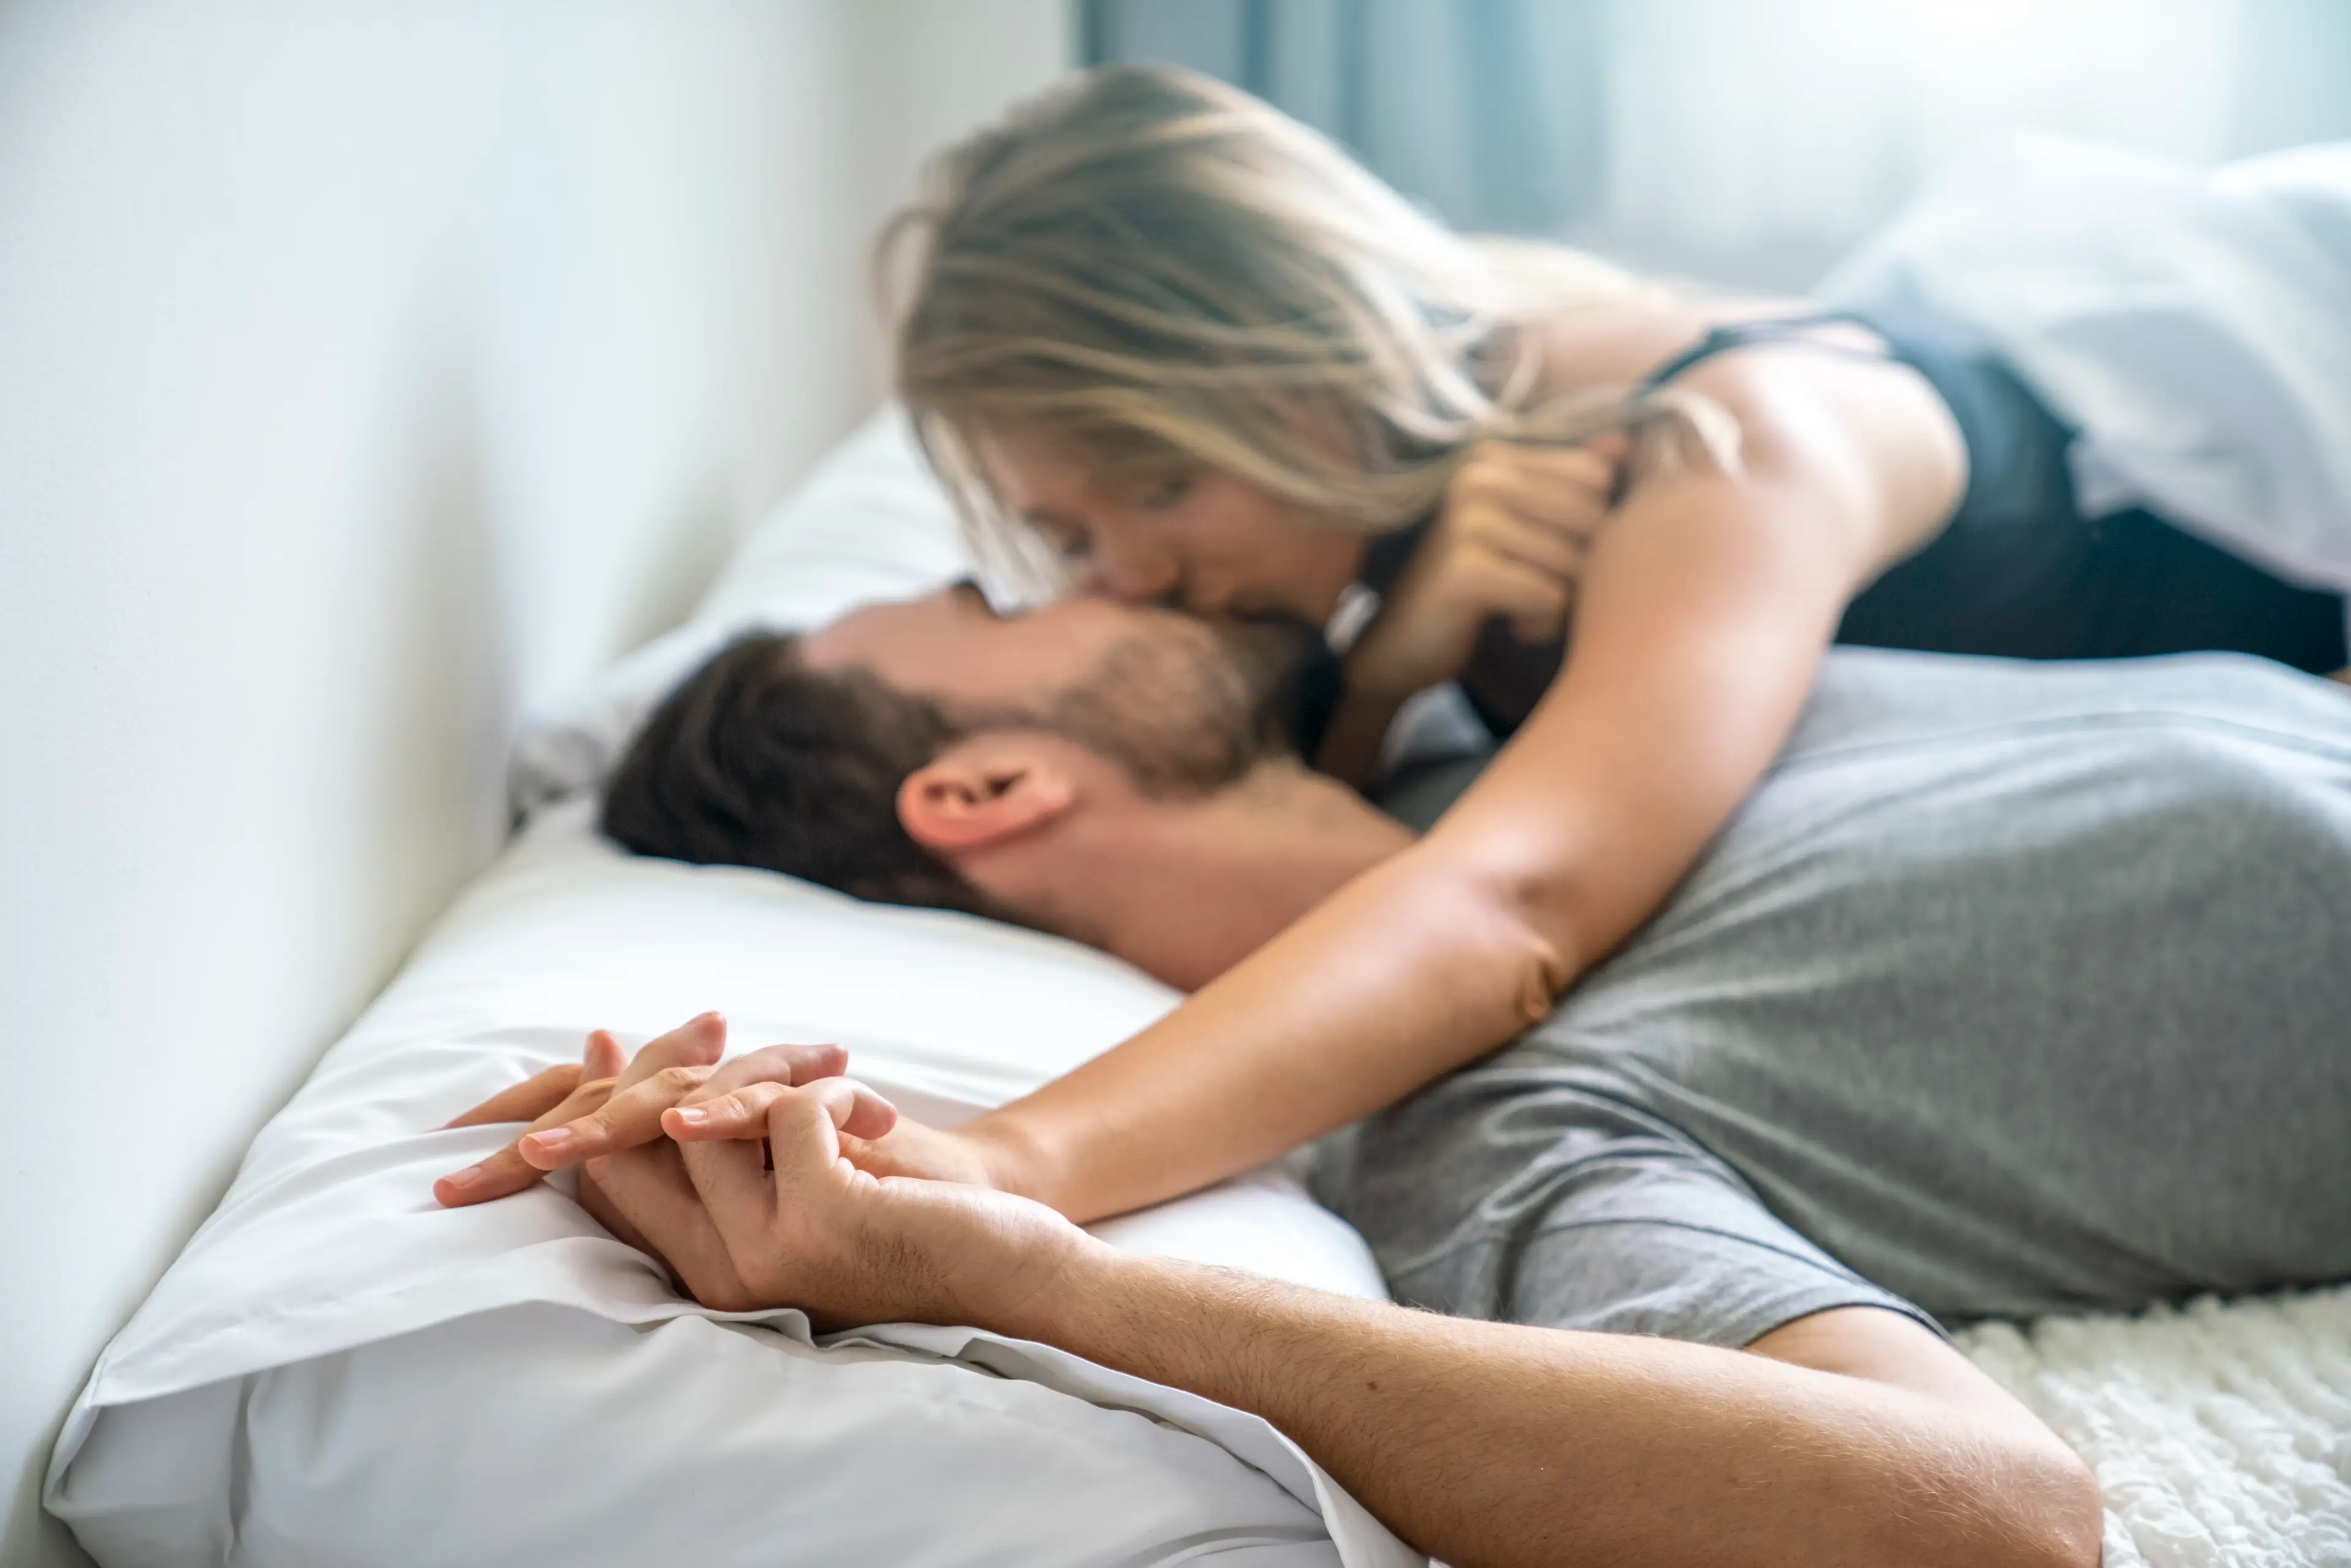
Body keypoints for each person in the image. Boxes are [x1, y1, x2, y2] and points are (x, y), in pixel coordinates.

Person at [691, 64, 2350, 1245]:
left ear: (1303, 363)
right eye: (1067, 541)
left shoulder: (1703, 453)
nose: (1133, 578)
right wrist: (1399, 665)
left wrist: (1017, 1159)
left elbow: (1513, 909)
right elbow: (1287, 821)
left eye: (1155, 487)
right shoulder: (1415, 520)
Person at [440, 583, 2350, 1568]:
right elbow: (1992, 1524)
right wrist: (1052, 1284)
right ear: (990, 788)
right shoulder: (1494, 1131)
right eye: (1022, 601)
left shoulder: (1496, 729)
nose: (1114, 571)